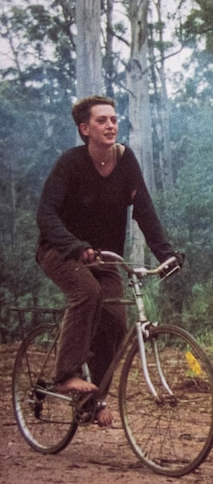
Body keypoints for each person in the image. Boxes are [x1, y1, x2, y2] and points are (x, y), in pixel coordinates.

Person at [36, 95, 182, 427]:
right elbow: (45, 215)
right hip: (60, 252)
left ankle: (92, 400)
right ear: (85, 129)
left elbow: (144, 210)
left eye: (114, 119)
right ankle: (65, 374)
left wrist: (166, 253)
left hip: (106, 258)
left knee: (116, 321)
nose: (111, 125)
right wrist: (75, 246)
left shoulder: (126, 161)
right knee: (87, 294)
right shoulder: (70, 164)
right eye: (102, 120)